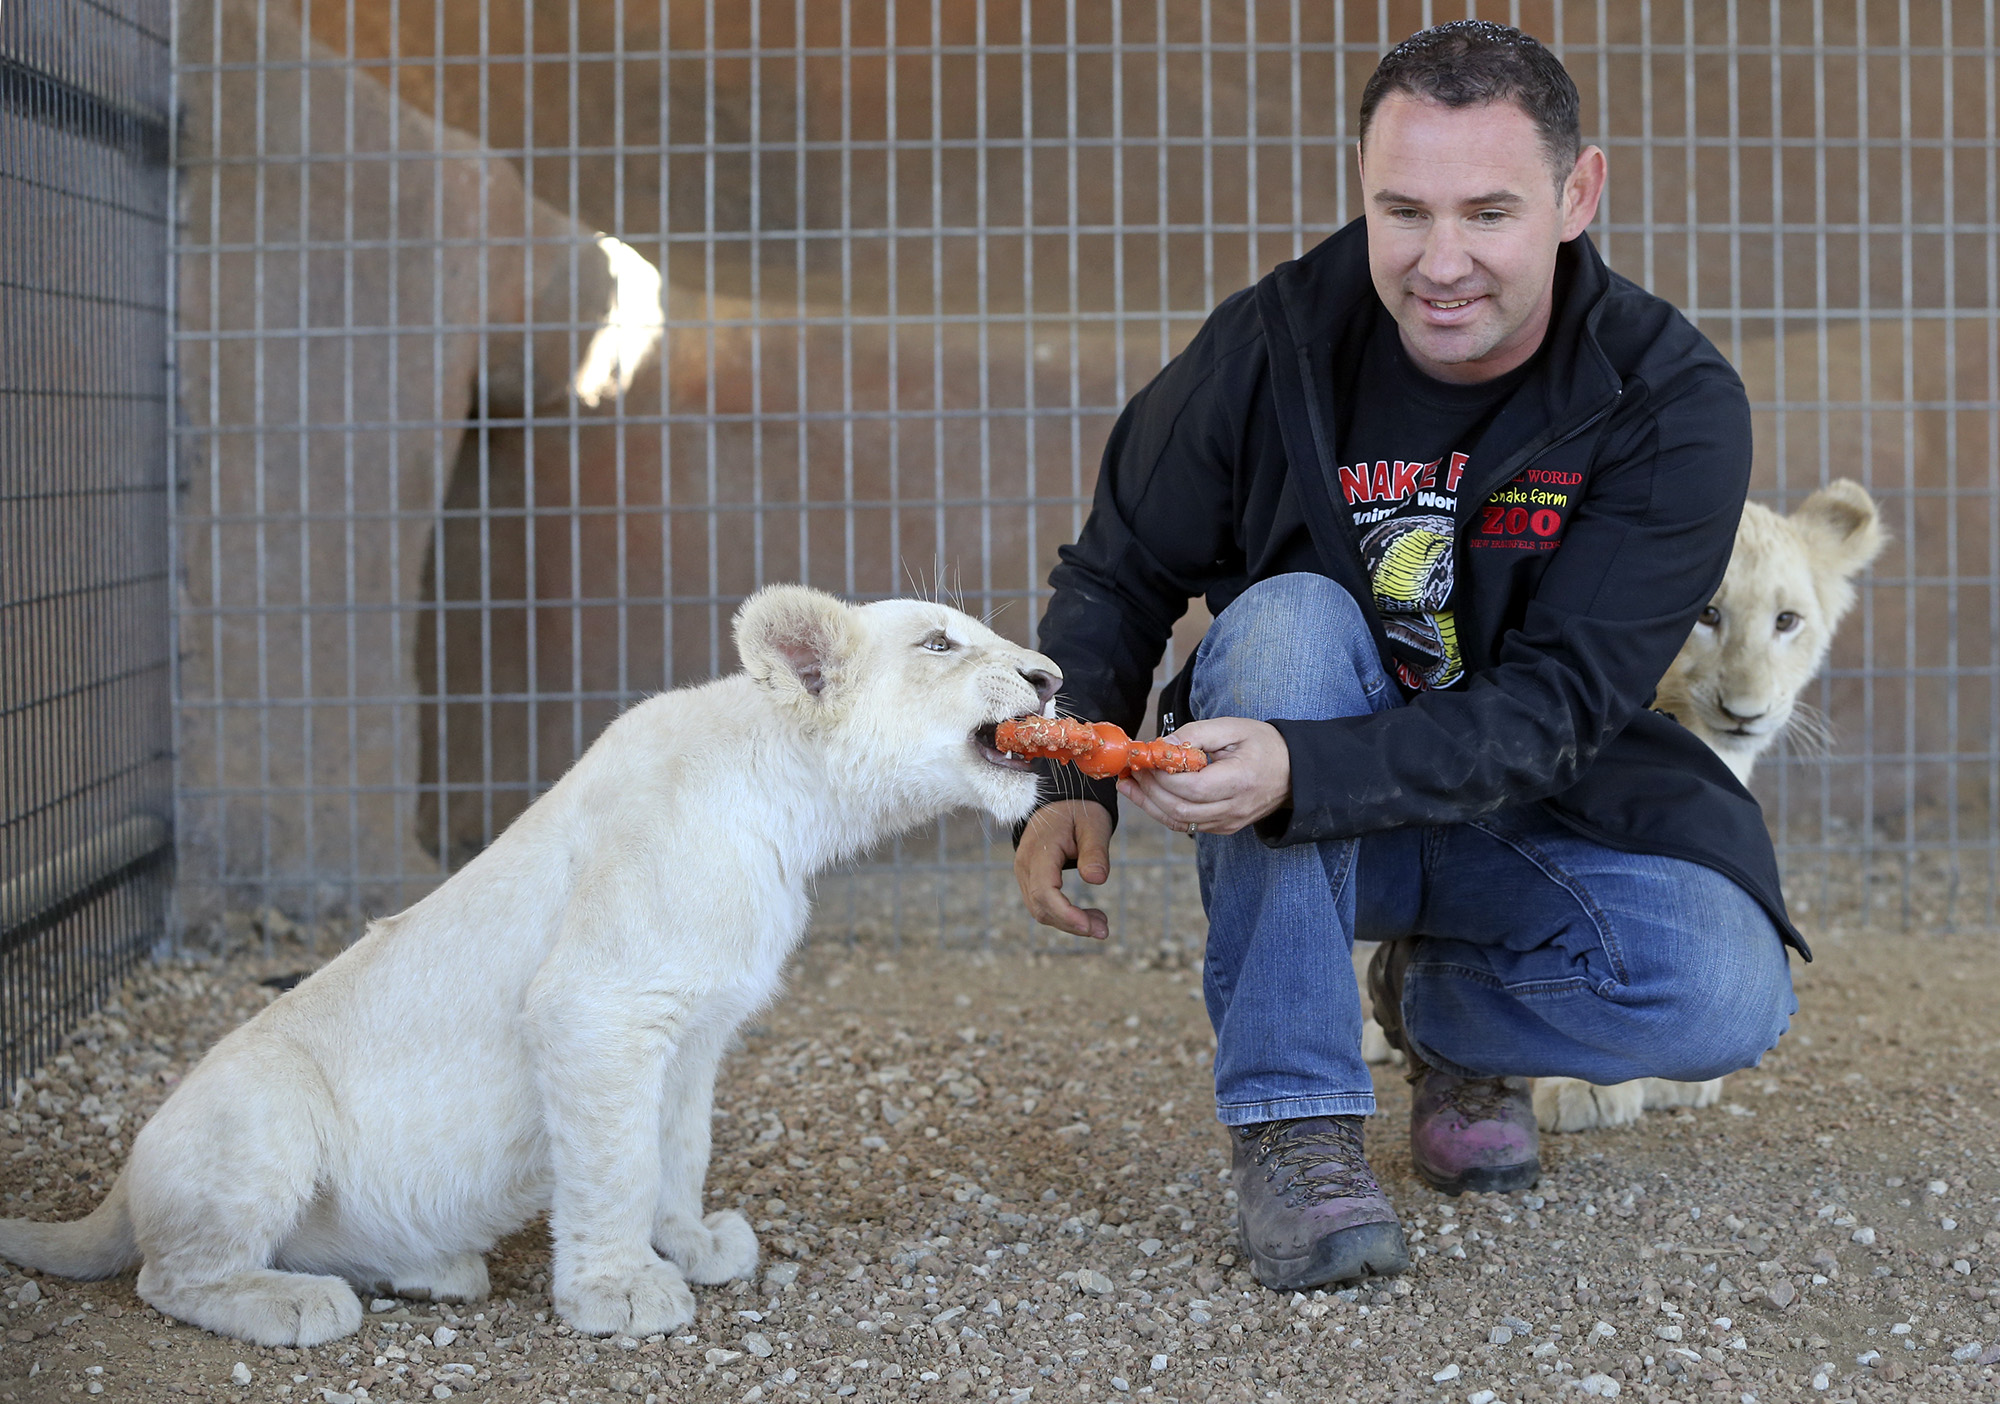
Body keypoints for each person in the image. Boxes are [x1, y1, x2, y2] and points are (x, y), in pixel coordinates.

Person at [1011, 20, 1802, 1294]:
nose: (1440, 263)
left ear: (1575, 193)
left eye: (1488, 212)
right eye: (1402, 211)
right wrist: (1066, 777)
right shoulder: (1271, 344)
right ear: (1361, 194)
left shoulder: (1664, 395)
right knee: (1284, 623)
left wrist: (1298, 772)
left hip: (1528, 800)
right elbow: (1119, 568)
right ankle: (1294, 1127)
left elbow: (1557, 703)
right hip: (1305, 813)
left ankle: (1441, 1012)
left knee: (1723, 994)